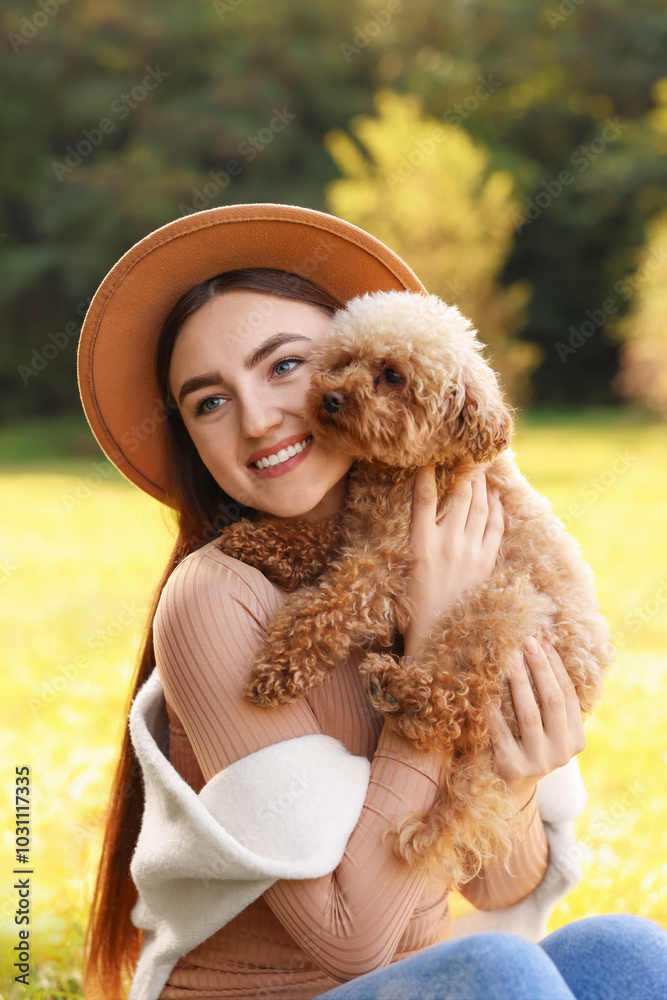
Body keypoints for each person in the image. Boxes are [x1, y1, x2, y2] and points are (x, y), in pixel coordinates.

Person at [77, 204, 667, 1000]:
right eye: (208, 402)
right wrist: (428, 659)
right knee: (497, 970)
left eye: (285, 365)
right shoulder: (213, 599)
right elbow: (351, 941)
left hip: (418, 979)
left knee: (629, 951)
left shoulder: (456, 544)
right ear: (188, 434)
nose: (258, 418)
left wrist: (518, 779)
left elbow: (497, 890)